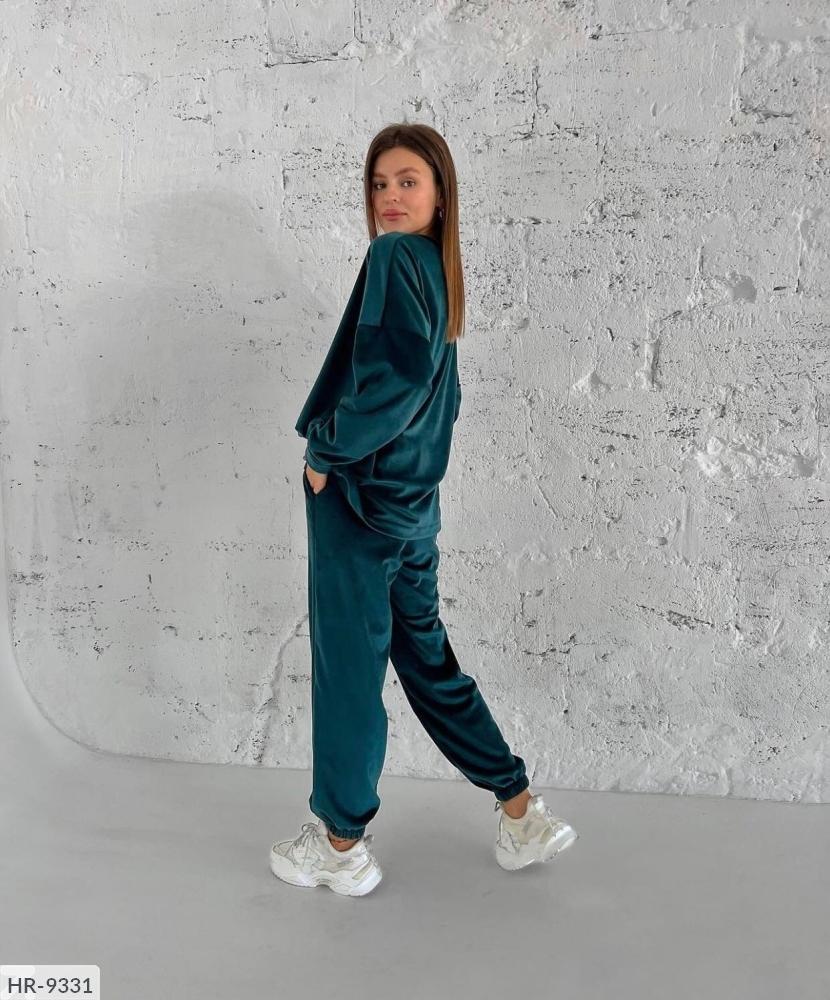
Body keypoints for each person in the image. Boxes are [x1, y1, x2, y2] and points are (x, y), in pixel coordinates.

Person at [269, 122, 577, 897]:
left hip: (359, 504)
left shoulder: (393, 259)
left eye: (408, 181)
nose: (390, 197)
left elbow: (396, 386)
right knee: (428, 665)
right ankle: (520, 809)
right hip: (412, 512)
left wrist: (325, 451)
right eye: (380, 184)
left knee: (348, 673)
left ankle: (341, 843)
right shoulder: (439, 272)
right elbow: (438, 397)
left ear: (441, 194)